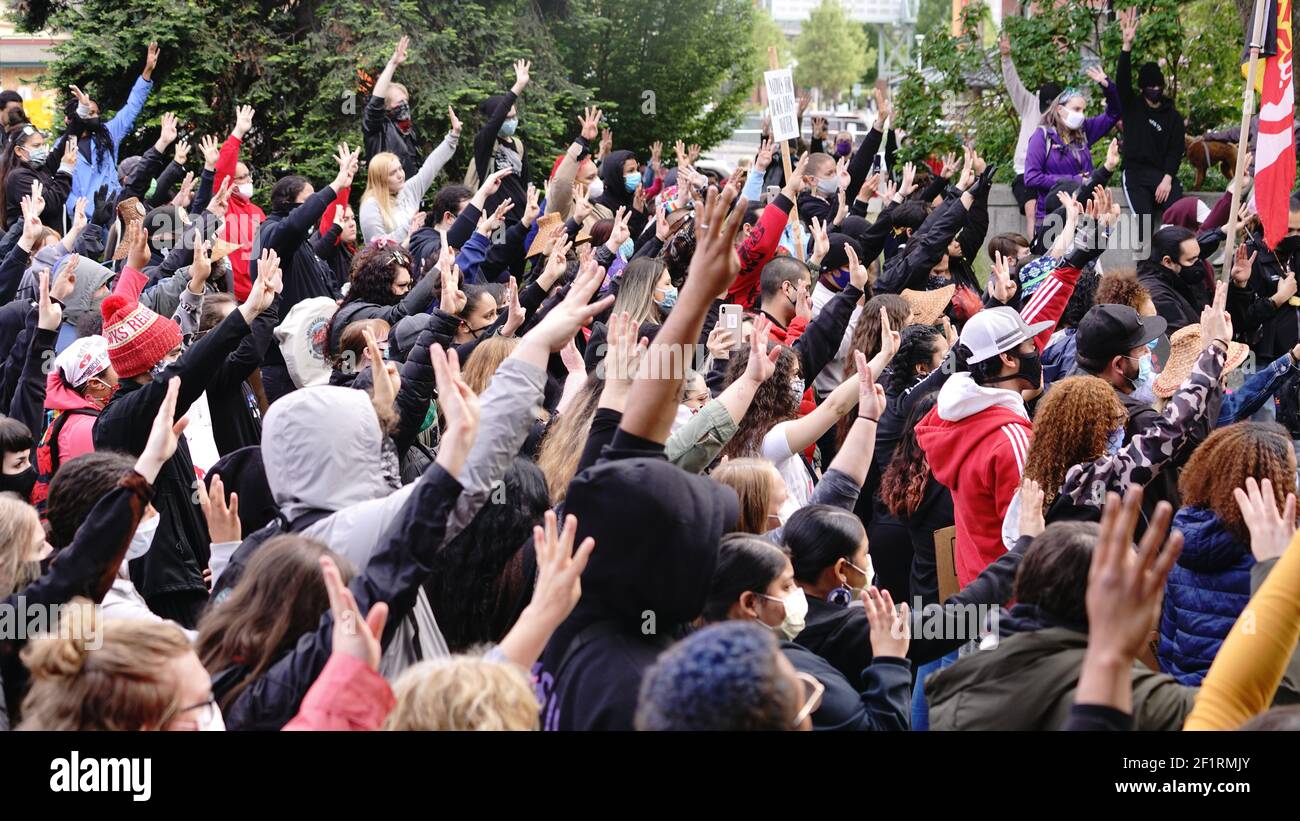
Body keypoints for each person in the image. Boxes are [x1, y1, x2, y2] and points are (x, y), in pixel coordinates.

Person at [92, 248, 285, 628]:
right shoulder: (124, 416)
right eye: (173, 351)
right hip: (166, 581)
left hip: (192, 567)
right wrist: (247, 313)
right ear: (150, 365)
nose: (181, 353)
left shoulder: (155, 405)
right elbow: (188, 370)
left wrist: (214, 555)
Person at [914, 240, 1086, 586]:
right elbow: (1024, 544)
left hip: (977, 592)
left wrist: (1076, 260)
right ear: (1008, 359)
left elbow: (1036, 319)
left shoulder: (957, 417)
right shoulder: (1010, 439)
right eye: (1028, 347)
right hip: (1011, 606)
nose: (1036, 352)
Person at [1158, 423, 1297, 685]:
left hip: (1188, 699)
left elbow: (1169, 638)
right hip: (1255, 703)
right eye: (1290, 472)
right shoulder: (1279, 551)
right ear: (1272, 483)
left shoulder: (1185, 537)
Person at [57, 42, 159, 217]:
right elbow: (59, 184)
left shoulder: (107, 134)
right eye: (89, 113)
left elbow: (131, 108)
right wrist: (77, 208)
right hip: (82, 219)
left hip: (112, 213)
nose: (94, 117)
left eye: (97, 113)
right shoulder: (61, 146)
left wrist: (147, 72)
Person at [1116, 7, 1185, 236]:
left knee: (1176, 217)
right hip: (1135, 174)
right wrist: (1127, 46)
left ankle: (1172, 257)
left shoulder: (1172, 116)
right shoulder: (1132, 106)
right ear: (1143, 88)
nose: (1155, 90)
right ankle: (1145, 266)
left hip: (1161, 174)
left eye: (1158, 86)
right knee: (1144, 226)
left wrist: (1167, 179)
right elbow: (1122, 81)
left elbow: (1176, 150)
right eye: (1150, 87)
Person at [1023, 76, 1121, 228]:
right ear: (1059, 109)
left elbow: (1114, 113)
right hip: (1053, 216)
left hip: (1084, 213)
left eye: (1083, 110)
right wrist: (1073, 180)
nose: (1081, 115)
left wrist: (1108, 86)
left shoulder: (1084, 131)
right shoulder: (1041, 137)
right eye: (1076, 109)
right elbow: (1031, 177)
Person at [358, 107, 461, 244]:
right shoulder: (371, 206)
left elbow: (430, 167)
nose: (400, 175)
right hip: (388, 264)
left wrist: (453, 136)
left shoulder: (408, 189)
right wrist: (410, 226)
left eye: (400, 169)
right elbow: (377, 246)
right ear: (380, 180)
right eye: (393, 173)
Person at [999, 31, 1063, 236]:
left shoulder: (1067, 114)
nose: (1047, 113)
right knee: (1032, 210)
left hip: (1054, 175)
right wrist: (1006, 58)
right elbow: (1013, 86)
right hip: (1025, 172)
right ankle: (1035, 255)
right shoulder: (1029, 104)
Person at [211, 105, 266, 300]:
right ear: (230, 183)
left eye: (248, 176)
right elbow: (223, 168)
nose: (249, 181)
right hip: (233, 296)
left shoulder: (258, 211)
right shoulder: (224, 205)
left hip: (259, 293)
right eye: (242, 178)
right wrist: (238, 133)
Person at [469, 59, 531, 223]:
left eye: (514, 116)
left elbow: (524, 183)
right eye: (507, 118)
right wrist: (517, 87)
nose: (512, 121)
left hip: (520, 218)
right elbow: (497, 118)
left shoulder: (518, 145)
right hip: (496, 220)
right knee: (499, 248)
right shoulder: (485, 143)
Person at [362, 35, 422, 177]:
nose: (404, 106)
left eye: (405, 101)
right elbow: (375, 102)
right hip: (385, 195)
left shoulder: (409, 133)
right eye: (399, 102)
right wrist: (393, 64)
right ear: (387, 108)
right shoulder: (377, 130)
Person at [0, 125, 77, 229]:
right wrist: (65, 170)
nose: (41, 149)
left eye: (42, 145)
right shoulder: (18, 177)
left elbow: (60, 151)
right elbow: (49, 204)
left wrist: (80, 116)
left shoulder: (41, 169)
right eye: (36, 146)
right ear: (19, 150)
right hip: (34, 243)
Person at [1136, 225, 1206, 333]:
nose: (1197, 264)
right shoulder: (1157, 295)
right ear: (1167, 262)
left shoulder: (1181, 277)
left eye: (1197, 257)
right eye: (1191, 260)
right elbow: (1181, 340)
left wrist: (1237, 284)